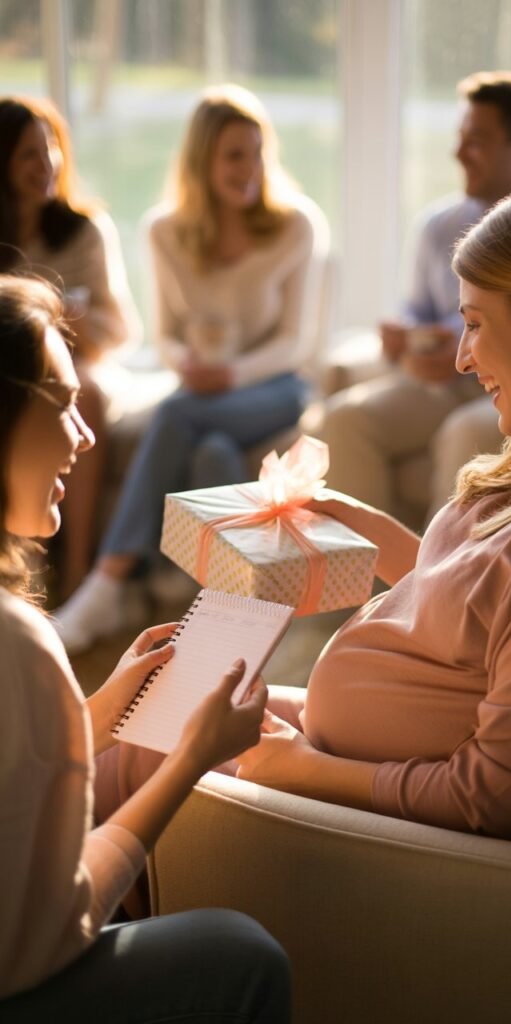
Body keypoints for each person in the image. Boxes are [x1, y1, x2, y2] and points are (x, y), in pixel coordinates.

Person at [232, 173, 511, 841]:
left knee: (135, 747)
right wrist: (350, 520)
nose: (460, 357)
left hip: (361, 808)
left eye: (474, 324)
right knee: (158, 699)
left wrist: (302, 769)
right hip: (340, 755)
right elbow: (475, 609)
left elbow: (492, 794)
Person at [0, 276, 290, 1021]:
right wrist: (191, 760)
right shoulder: (18, 641)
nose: (86, 436)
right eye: (63, 406)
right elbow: (44, 936)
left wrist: (96, 712)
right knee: (243, 953)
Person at [53, 83, 329, 654]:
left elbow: (295, 343)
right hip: (204, 394)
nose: (249, 168)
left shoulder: (296, 224)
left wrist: (228, 375)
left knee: (177, 411)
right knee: (213, 454)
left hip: (276, 388)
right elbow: (168, 338)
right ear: (202, 160)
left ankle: (109, 580)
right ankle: (209, 609)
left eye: (257, 152)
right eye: (234, 154)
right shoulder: (164, 231)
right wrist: (189, 364)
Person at [317, 70, 511, 523]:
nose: (458, 153)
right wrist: (402, 335)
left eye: (476, 140)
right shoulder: (438, 225)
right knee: (345, 420)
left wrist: (469, 344)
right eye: (460, 138)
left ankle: (437, 587)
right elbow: (416, 308)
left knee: (463, 434)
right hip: (443, 383)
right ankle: (361, 586)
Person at [0, 95, 141, 598]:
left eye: (51, 149)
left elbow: (123, 329)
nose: (46, 166)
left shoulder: (84, 229)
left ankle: (78, 570)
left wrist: (72, 320)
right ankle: (17, 572)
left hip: (84, 364)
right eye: (27, 155)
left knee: (89, 397)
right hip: (15, 372)